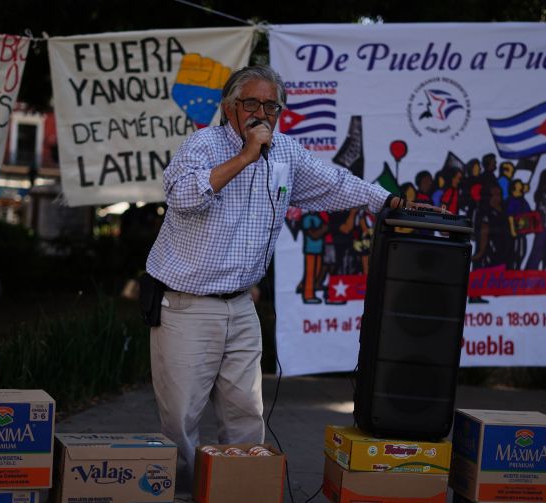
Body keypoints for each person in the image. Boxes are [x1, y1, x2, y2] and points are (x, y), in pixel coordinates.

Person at [144, 65, 415, 480]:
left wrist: (389, 202)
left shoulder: (285, 153)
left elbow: (337, 183)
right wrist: (245, 156)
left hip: (240, 306)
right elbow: (182, 196)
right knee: (181, 418)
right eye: (250, 103)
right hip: (187, 306)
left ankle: (240, 501)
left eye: (271, 105)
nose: (261, 113)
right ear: (229, 107)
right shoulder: (203, 145)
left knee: (246, 415)